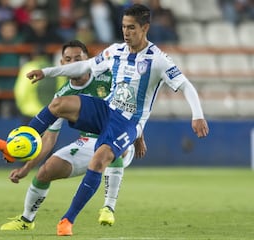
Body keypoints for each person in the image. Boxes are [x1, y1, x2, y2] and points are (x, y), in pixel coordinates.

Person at [21, 4, 209, 236]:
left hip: (127, 123)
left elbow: (186, 85)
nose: (126, 32)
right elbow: (86, 65)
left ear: (145, 28)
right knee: (60, 103)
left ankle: (67, 220)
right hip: (106, 110)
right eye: (123, 27)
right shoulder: (116, 51)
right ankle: (22, 141)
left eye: (131, 28)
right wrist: (47, 72)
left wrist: (197, 114)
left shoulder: (158, 59)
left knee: (99, 158)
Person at [0, 40, 147, 230]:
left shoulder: (109, 77)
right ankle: (26, 220)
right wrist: (27, 168)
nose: (72, 63)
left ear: (88, 60)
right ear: (62, 64)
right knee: (45, 172)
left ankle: (108, 207)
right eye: (68, 59)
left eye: (77, 59)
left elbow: (131, 107)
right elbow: (49, 138)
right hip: (87, 142)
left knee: (111, 149)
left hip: (120, 138)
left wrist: (139, 137)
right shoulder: (62, 96)